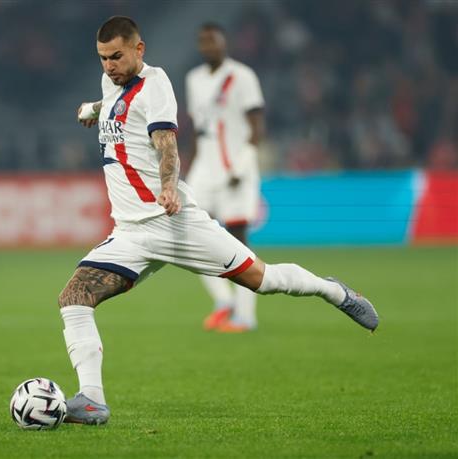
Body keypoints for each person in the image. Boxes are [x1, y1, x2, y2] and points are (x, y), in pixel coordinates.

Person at [62, 15, 378, 425]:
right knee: (74, 298)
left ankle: (333, 291)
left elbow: (166, 145)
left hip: (174, 223)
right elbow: (114, 105)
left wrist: (169, 187)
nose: (109, 66)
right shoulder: (112, 83)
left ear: (139, 49)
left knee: (264, 280)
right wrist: (91, 109)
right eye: (103, 58)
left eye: (117, 57)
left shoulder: (156, 85)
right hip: (130, 233)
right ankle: (91, 400)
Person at [185, 22, 265, 333]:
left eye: (212, 41)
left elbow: (257, 127)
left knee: (238, 243)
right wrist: (190, 167)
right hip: (205, 170)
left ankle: (245, 316)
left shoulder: (242, 76)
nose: (207, 46)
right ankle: (224, 300)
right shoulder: (194, 79)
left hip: (235, 170)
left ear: (224, 43)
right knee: (189, 235)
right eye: (202, 41)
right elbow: (198, 128)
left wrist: (242, 166)